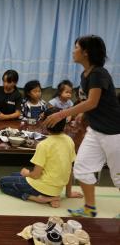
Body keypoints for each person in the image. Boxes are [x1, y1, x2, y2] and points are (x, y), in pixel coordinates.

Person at [44, 35, 120, 217]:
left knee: (118, 176)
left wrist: (62, 113)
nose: (73, 51)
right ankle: (89, 208)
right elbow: (91, 102)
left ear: (86, 52)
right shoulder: (85, 74)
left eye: (76, 47)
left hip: (114, 132)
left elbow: (93, 102)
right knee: (82, 167)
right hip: (95, 130)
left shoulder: (98, 74)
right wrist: (81, 114)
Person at [0, 108, 83, 208]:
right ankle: (52, 196)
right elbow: (69, 170)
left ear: (45, 124)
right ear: (64, 124)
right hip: (57, 189)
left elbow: (35, 175)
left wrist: (27, 174)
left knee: (3, 182)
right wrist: (68, 193)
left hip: (42, 187)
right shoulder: (69, 140)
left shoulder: (44, 145)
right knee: (14, 174)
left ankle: (38, 198)